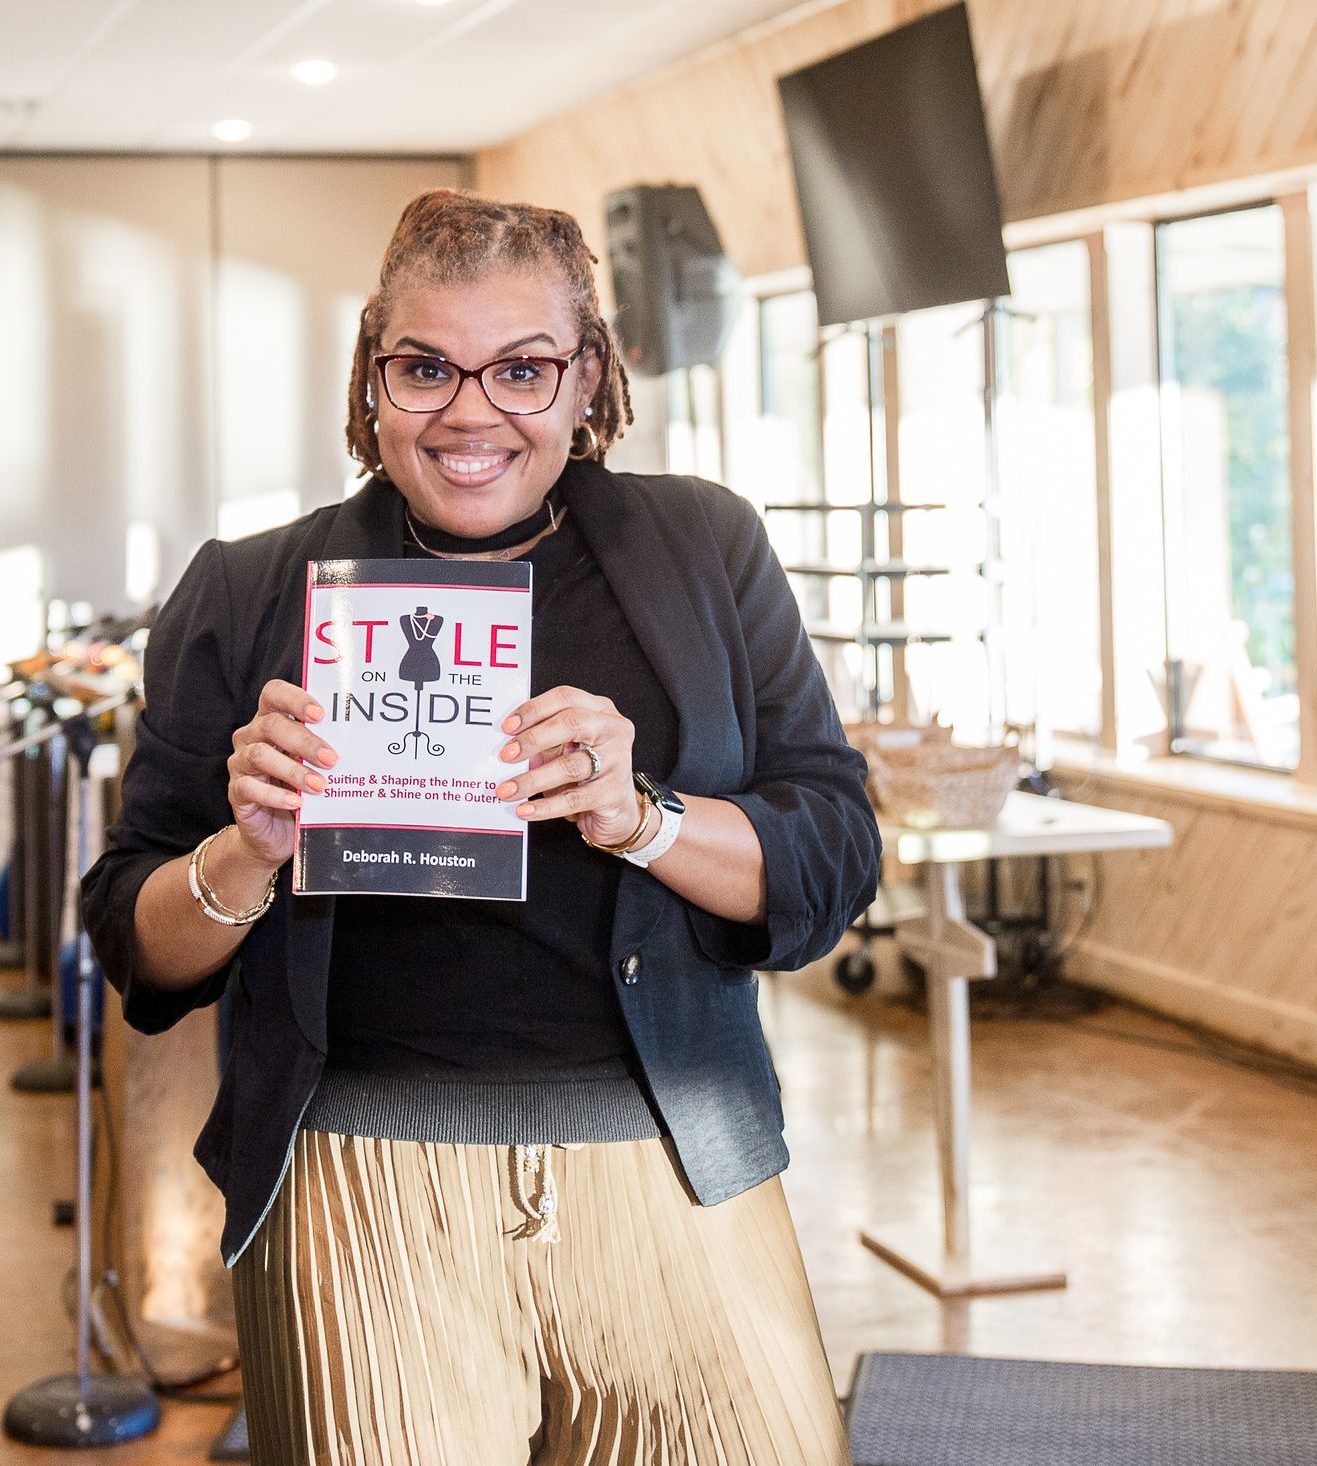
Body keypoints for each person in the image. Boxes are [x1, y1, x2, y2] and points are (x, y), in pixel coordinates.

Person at [81, 188, 880, 1465]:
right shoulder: (248, 590)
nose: (470, 412)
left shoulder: (706, 546)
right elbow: (137, 944)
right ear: (372, 377)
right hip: (357, 1187)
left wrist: (645, 819)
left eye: (522, 368)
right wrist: (248, 848)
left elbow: (836, 856)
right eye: (425, 367)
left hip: (681, 1165)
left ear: (587, 379)